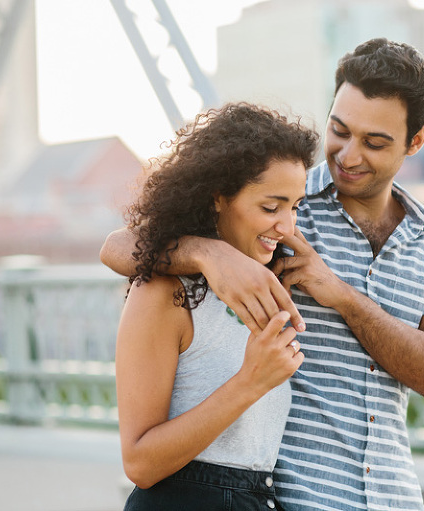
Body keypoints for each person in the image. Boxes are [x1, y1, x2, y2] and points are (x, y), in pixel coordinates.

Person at [102, 38, 424, 511]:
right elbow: (120, 247)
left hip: (396, 498)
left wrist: (340, 295)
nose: (349, 155)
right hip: (296, 499)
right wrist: (209, 254)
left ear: (415, 141)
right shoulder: (280, 203)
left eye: (375, 142)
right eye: (340, 130)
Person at [114, 102, 319, 510]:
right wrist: (251, 382)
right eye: (270, 207)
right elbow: (139, 462)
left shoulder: (270, 283)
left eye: (294, 207)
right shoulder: (162, 291)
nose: (287, 226)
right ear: (218, 197)